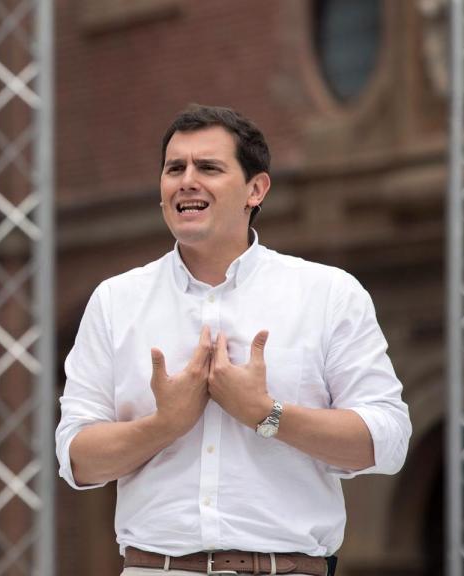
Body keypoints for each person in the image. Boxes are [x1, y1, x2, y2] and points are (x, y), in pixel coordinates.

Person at [55, 105, 411, 576]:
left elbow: (386, 442)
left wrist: (265, 414)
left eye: (209, 168)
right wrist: (165, 424)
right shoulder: (115, 301)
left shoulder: (328, 294)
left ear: (255, 189)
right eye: (174, 168)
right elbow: (77, 458)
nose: (186, 181)